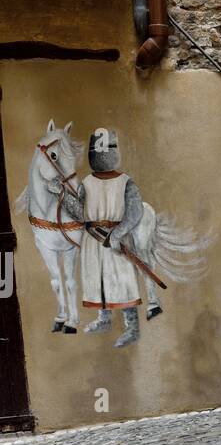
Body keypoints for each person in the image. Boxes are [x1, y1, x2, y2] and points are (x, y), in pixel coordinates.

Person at [53, 128, 145, 348]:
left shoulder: (126, 182)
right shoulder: (87, 182)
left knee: (122, 282)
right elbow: (79, 211)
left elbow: (135, 212)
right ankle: (104, 320)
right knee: (99, 280)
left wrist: (118, 234)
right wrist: (62, 194)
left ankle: (132, 328)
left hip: (116, 240)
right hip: (93, 240)